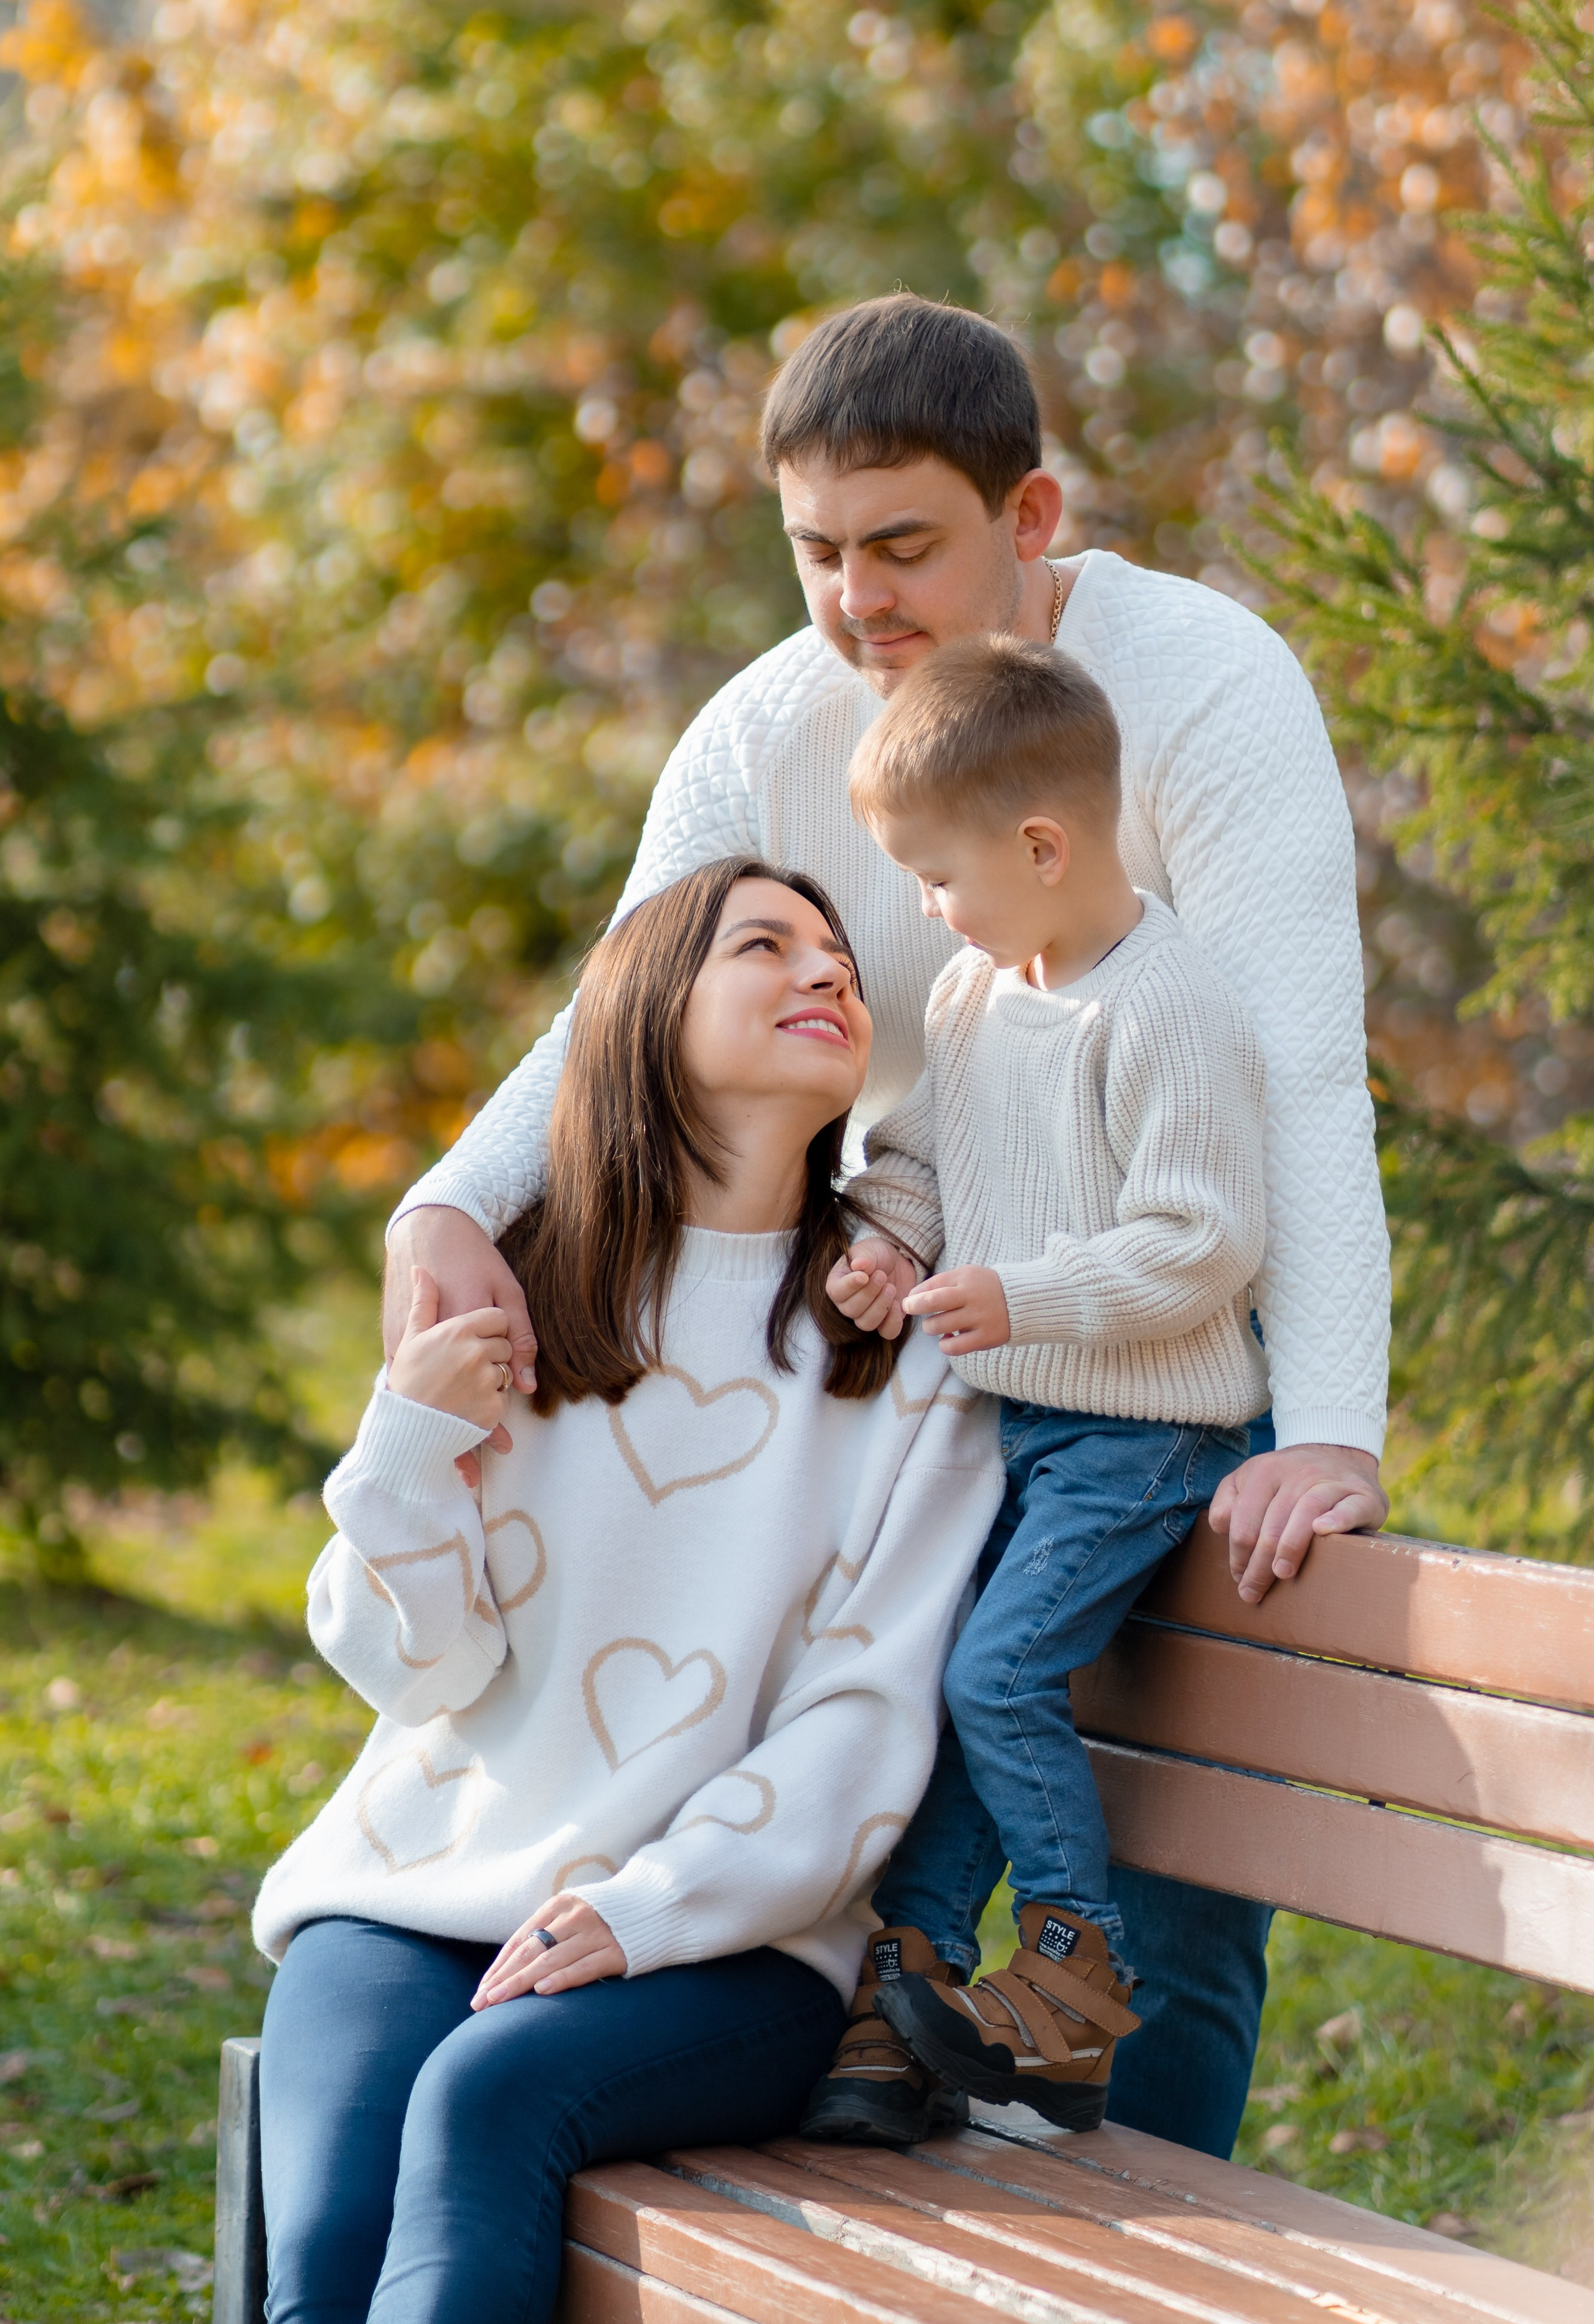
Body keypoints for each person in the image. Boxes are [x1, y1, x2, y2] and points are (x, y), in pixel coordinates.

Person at [381, 293, 1392, 2159]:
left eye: (904, 545)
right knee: (915, 1779)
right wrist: (450, 1199)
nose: (857, 600)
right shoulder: (771, 724)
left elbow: (1300, 1074)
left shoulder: (1209, 683)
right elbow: (625, 998)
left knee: (1169, 1902)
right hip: (925, 1358)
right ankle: (896, 2083)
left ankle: (1150, 2226)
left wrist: (1325, 1422)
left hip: (1171, 1363)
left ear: (1033, 515)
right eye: (819, 552)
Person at [252, 860, 1004, 2324]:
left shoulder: (912, 1360)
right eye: (762, 946)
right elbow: (415, 1670)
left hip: (734, 1945)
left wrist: (649, 1906)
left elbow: (862, 1723)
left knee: (485, 2099)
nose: (826, 974)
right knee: (331, 2238)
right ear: (647, 1017)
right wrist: (406, 1442)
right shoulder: (521, 1299)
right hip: (416, 1894)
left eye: (840, 958)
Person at [800, 632, 1267, 2138]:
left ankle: (1075, 1973)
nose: (928, 912)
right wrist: (886, 1241)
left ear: (1043, 844)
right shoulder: (971, 998)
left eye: (937, 878)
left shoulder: (1164, 1004)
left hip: (1143, 1436)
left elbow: (1201, 1243)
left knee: (997, 1674)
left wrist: (1028, 1294)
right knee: (947, 1679)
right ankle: (914, 1986)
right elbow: (927, 1161)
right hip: (1020, 1425)